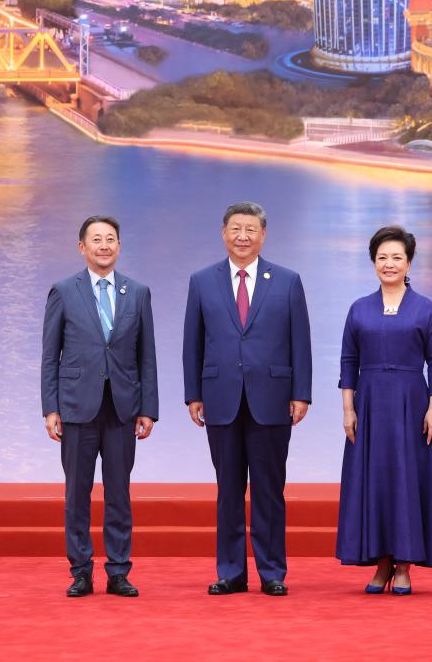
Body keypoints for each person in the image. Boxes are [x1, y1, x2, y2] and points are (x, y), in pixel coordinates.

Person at [183, 202, 313, 596]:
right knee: (228, 490)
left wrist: (301, 394)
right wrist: (193, 394)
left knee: (269, 490)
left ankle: (272, 572)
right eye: (236, 229)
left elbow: (300, 341)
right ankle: (231, 572)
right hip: (219, 397)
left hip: (272, 398)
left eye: (251, 229)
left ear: (263, 235)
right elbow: (193, 343)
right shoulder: (202, 281)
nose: (243, 236)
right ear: (224, 233)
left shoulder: (287, 281)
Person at [40, 215, 158, 598]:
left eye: (110, 239)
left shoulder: (137, 292)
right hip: (76, 406)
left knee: (119, 493)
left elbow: (147, 357)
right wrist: (50, 407)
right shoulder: (63, 291)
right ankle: (80, 571)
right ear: (82, 247)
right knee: (77, 493)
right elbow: (50, 355)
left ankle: (119, 571)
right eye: (96, 239)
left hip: (123, 408)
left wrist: (148, 408)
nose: (104, 245)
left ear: (119, 246)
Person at [336, 225, 432, 594]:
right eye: (382, 257)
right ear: (373, 262)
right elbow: (348, 361)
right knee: (374, 479)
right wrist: (348, 409)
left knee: (407, 478)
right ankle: (381, 563)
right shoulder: (359, 308)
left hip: (411, 403)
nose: (389, 264)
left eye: (396, 257)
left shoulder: (425, 308)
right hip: (369, 403)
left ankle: (403, 564)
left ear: (409, 263)